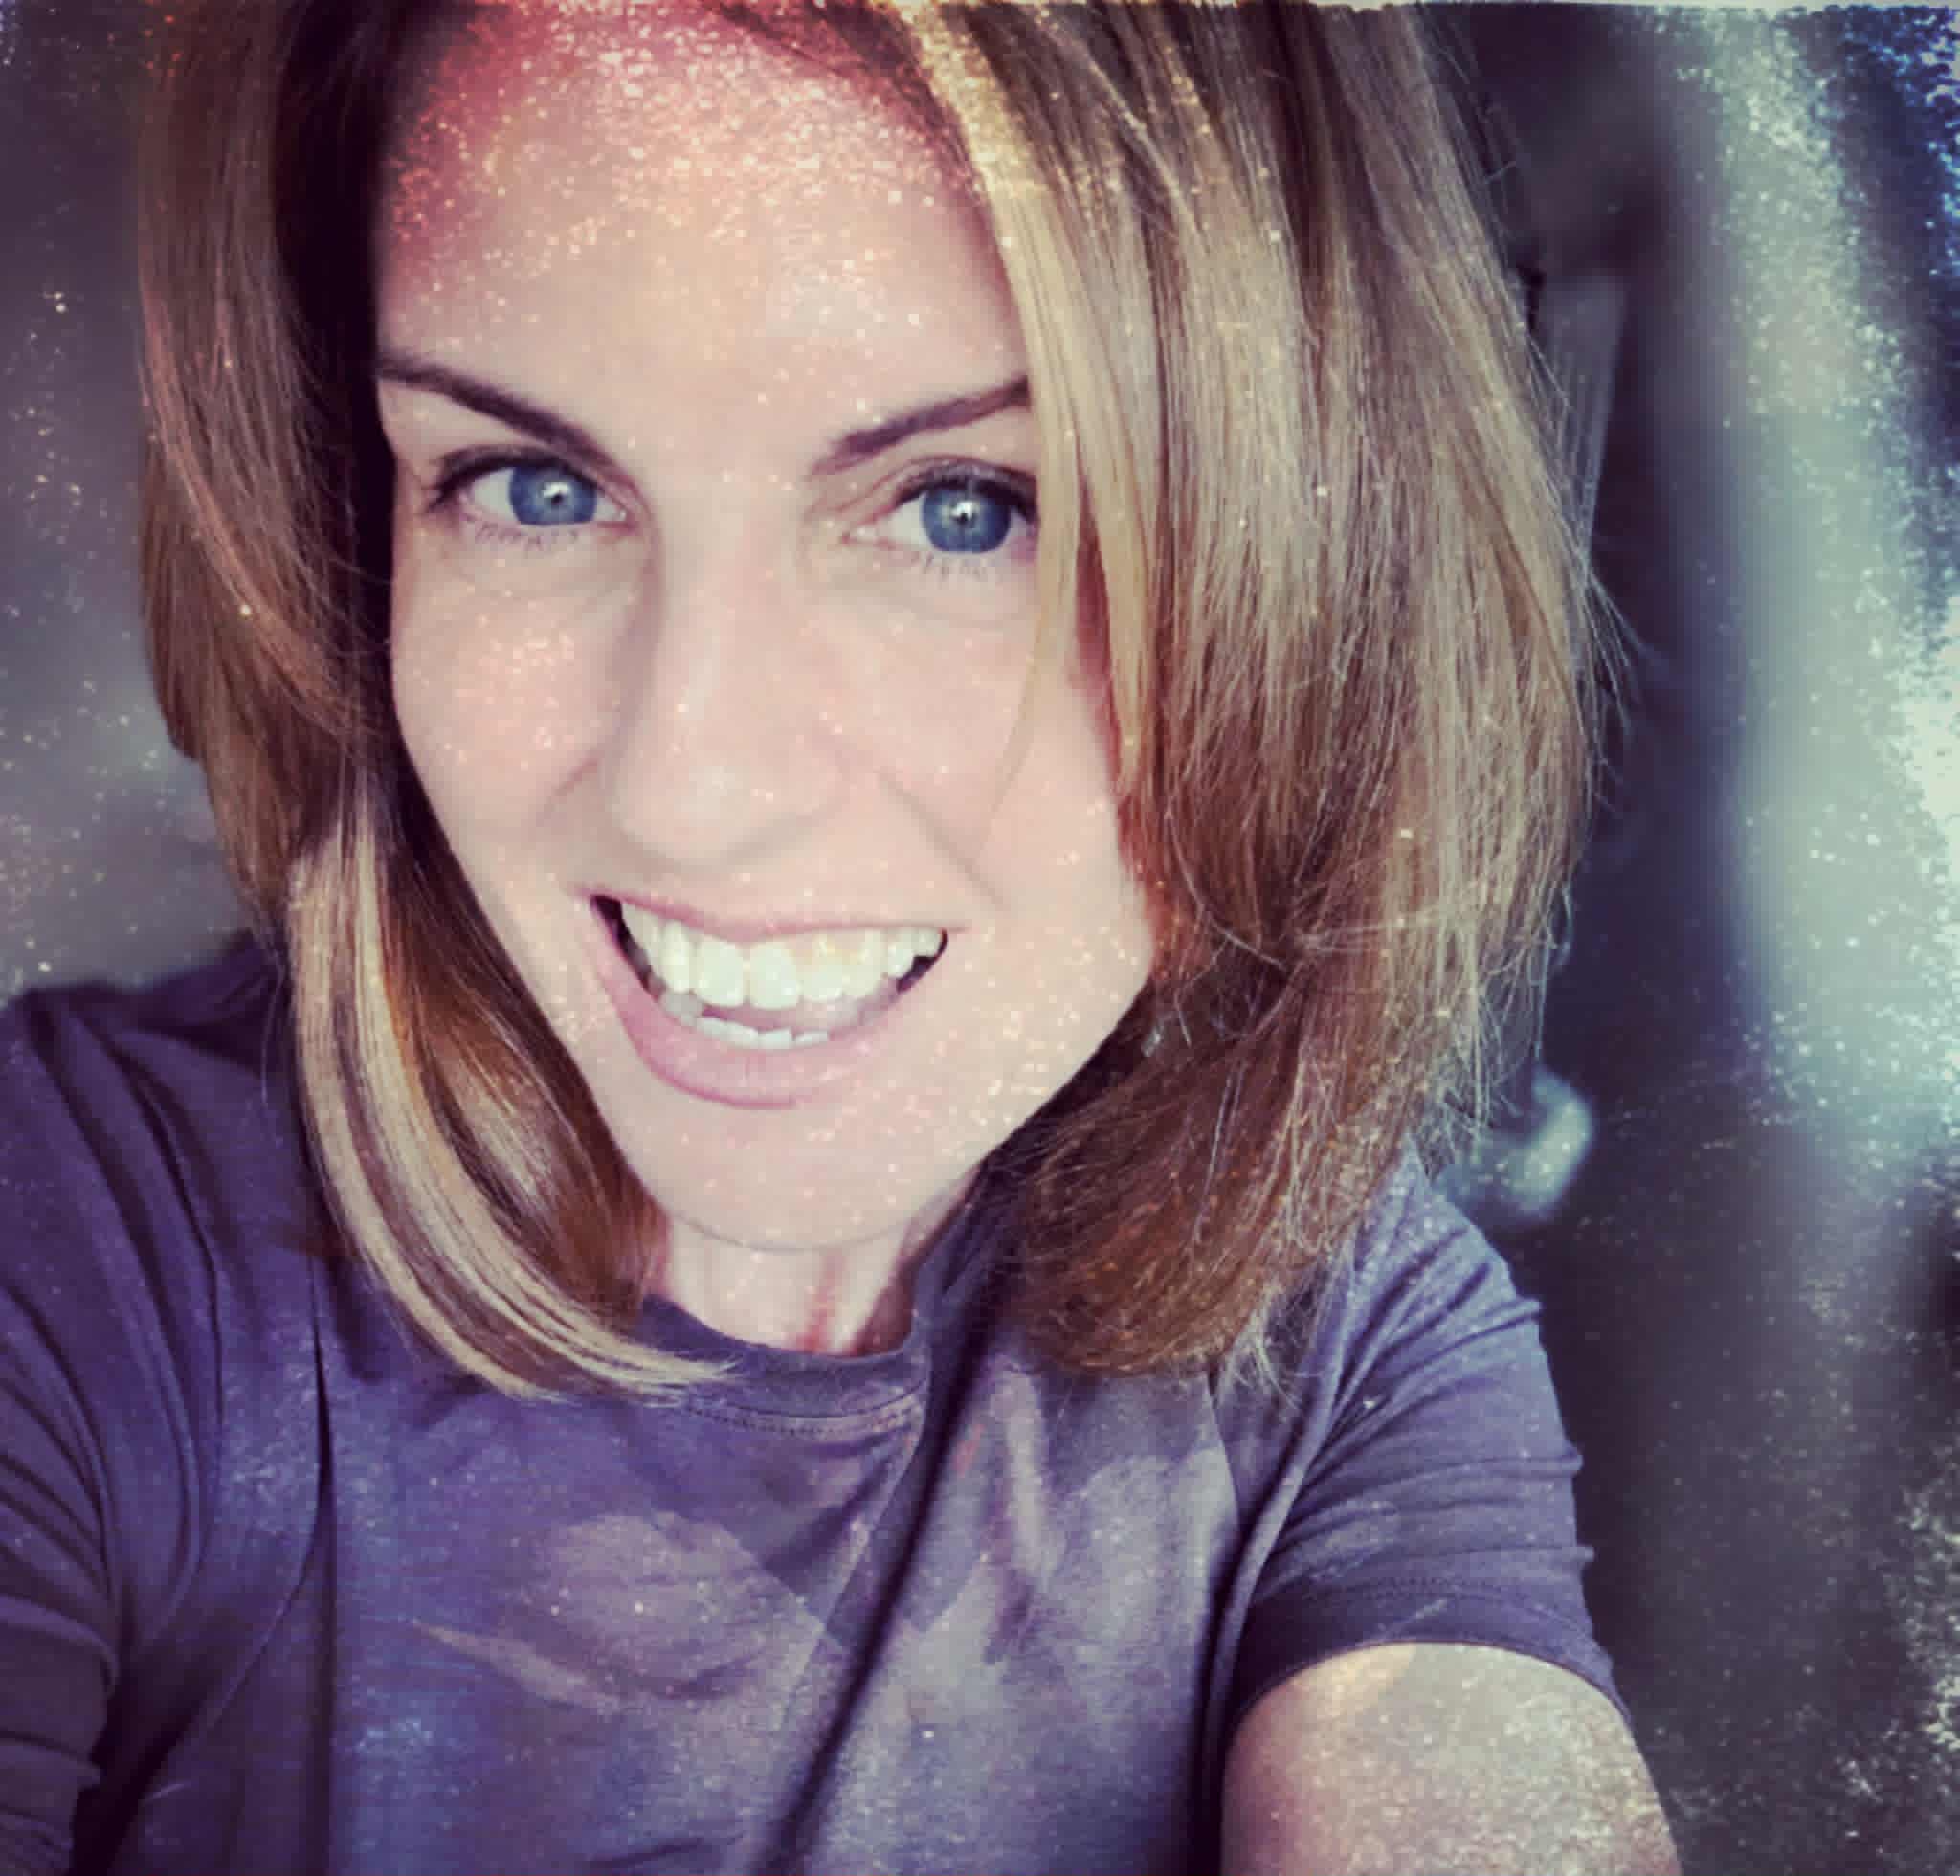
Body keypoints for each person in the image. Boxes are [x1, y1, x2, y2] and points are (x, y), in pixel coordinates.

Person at [0, 1, 1680, 1870]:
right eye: (534, 488)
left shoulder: (1344, 1339)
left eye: (966, 512)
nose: (686, 787)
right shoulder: (64, 1241)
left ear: (1310, 589)